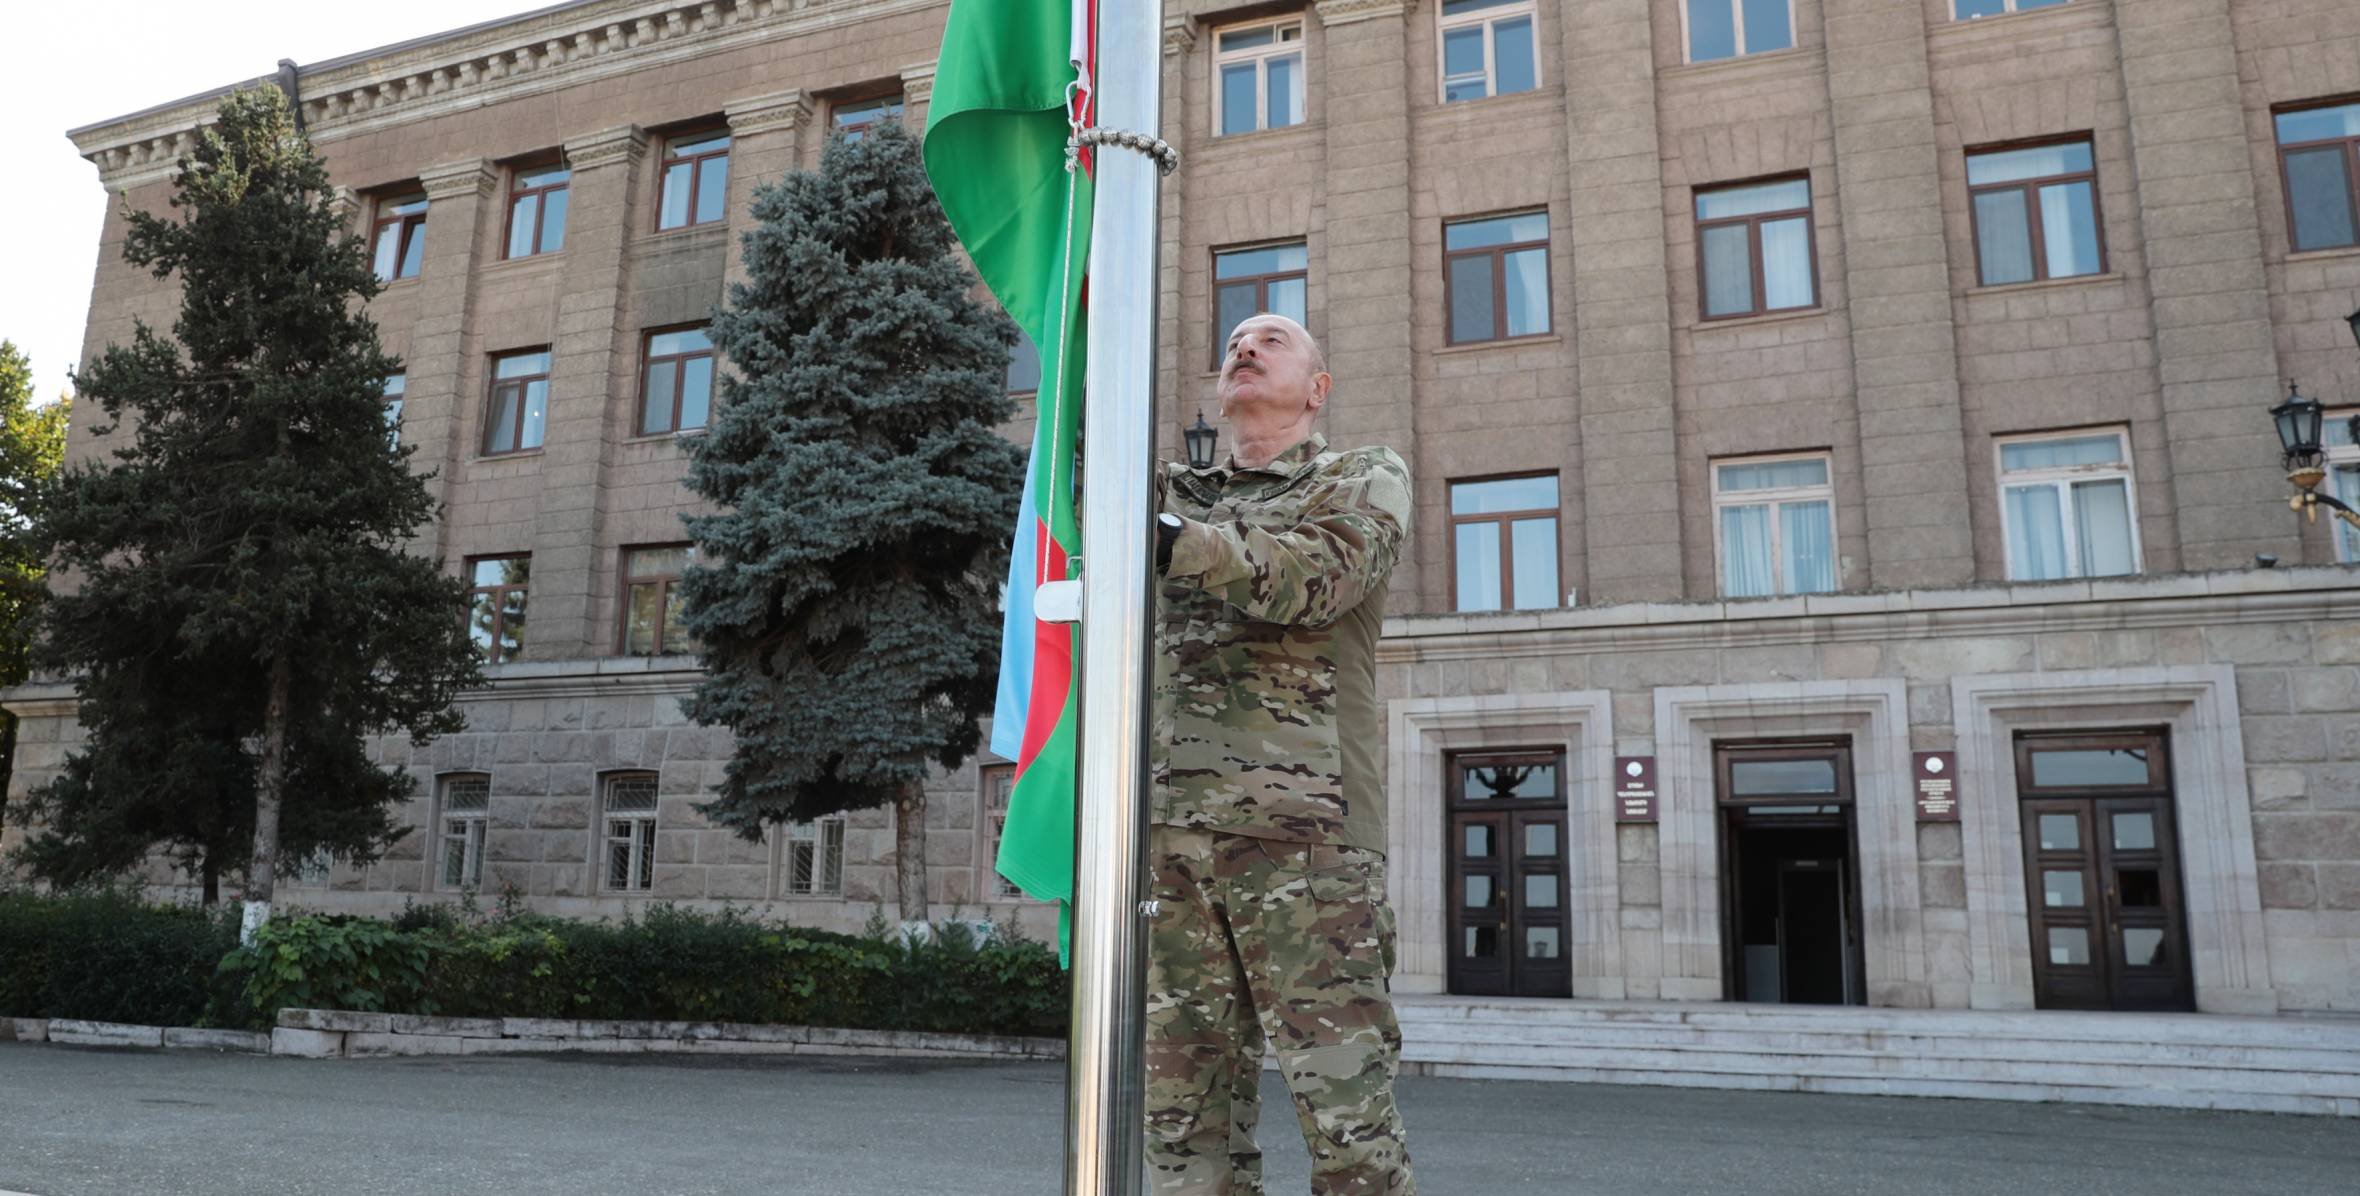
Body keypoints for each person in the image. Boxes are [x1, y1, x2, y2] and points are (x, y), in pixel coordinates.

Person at [1145, 312, 1415, 1195]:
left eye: (1271, 340)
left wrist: (1180, 545)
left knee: (1347, 1125)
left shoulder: (1362, 476)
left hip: (1308, 839)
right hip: (1171, 837)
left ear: (1318, 388)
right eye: (1233, 344)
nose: (1244, 349)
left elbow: (1318, 577)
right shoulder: (1170, 487)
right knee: (1186, 1127)